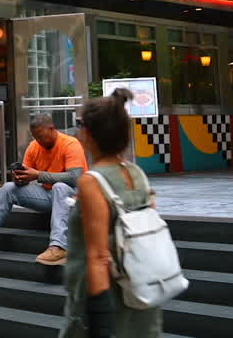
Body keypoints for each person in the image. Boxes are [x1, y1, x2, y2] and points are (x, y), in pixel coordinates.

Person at [60, 92, 163, 338]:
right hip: (140, 295)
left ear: (89, 134)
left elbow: (97, 256)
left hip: (105, 302)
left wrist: (101, 325)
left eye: (79, 124)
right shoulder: (137, 174)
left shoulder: (92, 182)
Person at [0, 113, 88, 265]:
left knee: (60, 187)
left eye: (41, 136)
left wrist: (38, 175)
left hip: (75, 198)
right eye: (35, 137)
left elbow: (75, 177)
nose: (39, 141)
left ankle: (59, 247)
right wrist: (19, 178)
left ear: (52, 129)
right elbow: (27, 178)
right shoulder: (34, 147)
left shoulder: (70, 144)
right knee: (8, 188)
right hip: (50, 196)